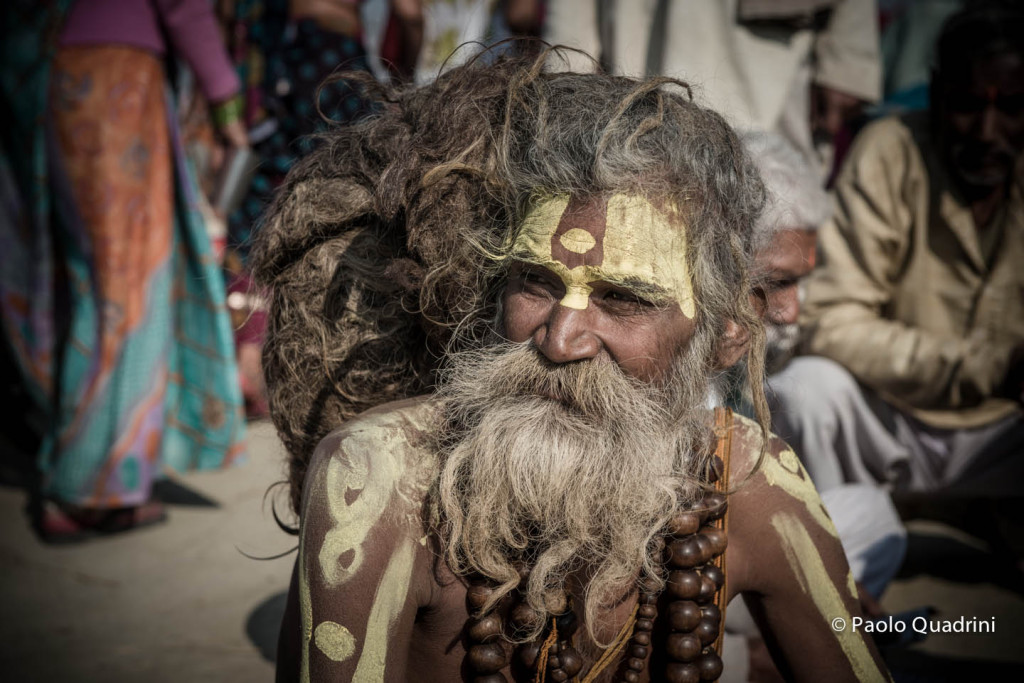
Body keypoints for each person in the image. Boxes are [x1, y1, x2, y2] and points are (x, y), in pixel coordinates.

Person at [256, 52, 890, 681]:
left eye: (623, 298)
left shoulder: (746, 479)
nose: (561, 340)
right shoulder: (381, 478)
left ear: (724, 336)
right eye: (534, 282)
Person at [770, 1, 1024, 549]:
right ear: (935, 91)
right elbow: (831, 321)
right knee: (806, 391)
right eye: (965, 106)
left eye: (1010, 109)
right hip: (892, 418)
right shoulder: (890, 150)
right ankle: (830, 577)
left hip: (1006, 433)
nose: (986, 131)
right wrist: (987, 368)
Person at [0, 0, 247, 540]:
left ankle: (71, 447)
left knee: (64, 276)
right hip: (110, 64)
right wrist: (226, 96)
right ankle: (90, 487)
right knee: (125, 284)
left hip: (30, 66)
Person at [543, 0, 882, 179]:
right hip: (639, 45)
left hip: (764, 61)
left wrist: (852, 54)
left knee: (768, 213)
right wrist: (565, 71)